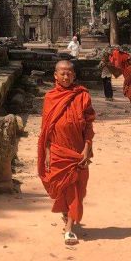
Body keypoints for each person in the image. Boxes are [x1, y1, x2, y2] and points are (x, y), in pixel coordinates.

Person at [37, 60, 96, 246]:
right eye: (62, 73)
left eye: (69, 73)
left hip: (77, 151)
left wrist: (87, 147)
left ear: (74, 75)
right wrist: (47, 152)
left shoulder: (83, 95)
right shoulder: (50, 97)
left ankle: (69, 228)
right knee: (61, 187)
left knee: (76, 189)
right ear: (55, 75)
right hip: (57, 150)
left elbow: (88, 126)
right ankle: (67, 214)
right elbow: (46, 129)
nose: (66, 76)